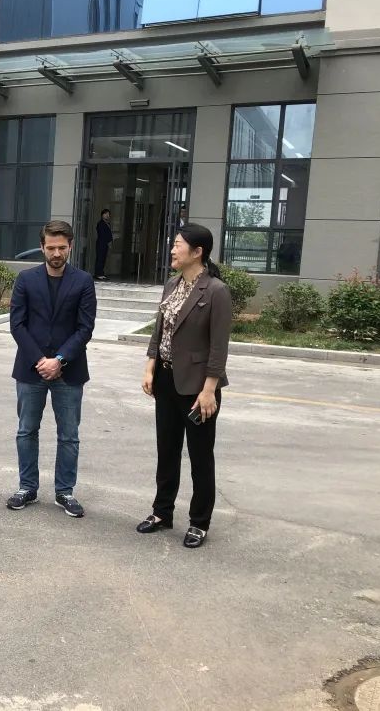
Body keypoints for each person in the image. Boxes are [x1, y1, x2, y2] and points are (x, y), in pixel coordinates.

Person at [138, 223, 231, 549]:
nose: (173, 249)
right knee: (167, 450)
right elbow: (159, 330)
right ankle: (162, 512)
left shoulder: (216, 291)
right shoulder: (172, 284)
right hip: (166, 380)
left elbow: (219, 347)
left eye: (178, 244)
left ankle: (199, 522)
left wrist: (209, 390)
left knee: (200, 456)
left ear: (197, 252)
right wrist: (150, 367)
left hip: (197, 387)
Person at [7, 220, 97, 518]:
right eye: (51, 248)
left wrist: (59, 360)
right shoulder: (26, 279)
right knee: (26, 431)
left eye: (62, 248)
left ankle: (65, 491)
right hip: (30, 369)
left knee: (69, 435)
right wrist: (40, 360)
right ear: (42, 247)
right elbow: (17, 325)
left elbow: (85, 328)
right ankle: (27, 487)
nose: (56, 253)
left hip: (69, 370)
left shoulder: (83, 281)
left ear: (70, 246)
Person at [94, 209, 113, 281]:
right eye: (105, 214)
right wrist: (108, 241)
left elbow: (109, 234)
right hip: (101, 243)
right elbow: (102, 234)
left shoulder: (108, 223)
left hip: (105, 244)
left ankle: (101, 273)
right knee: (100, 258)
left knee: (103, 258)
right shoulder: (100, 223)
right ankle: (98, 274)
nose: (107, 215)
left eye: (108, 214)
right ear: (102, 215)